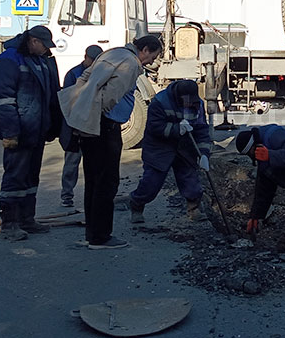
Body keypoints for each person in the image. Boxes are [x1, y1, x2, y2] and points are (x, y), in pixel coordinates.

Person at [58, 35, 163, 250]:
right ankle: (101, 237)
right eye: (152, 56)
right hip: (105, 126)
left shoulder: (111, 53)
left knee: (93, 180)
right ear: (144, 49)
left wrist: (86, 104)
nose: (151, 62)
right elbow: (112, 96)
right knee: (107, 182)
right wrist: (100, 110)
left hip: (88, 124)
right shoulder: (131, 63)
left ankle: (92, 233)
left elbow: (84, 77)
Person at [0, 25, 61, 241]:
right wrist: (10, 133)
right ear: (33, 41)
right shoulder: (9, 60)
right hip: (20, 132)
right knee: (15, 177)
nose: (47, 50)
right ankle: (10, 224)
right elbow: (3, 101)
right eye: (44, 45)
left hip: (36, 131)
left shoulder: (40, 60)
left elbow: (51, 95)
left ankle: (27, 219)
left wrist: (53, 127)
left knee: (30, 178)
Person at [129, 80, 211, 225]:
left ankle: (194, 208)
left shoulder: (197, 104)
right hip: (159, 147)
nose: (189, 104)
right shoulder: (160, 102)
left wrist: (204, 153)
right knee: (151, 182)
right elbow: (155, 127)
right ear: (179, 96)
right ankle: (137, 205)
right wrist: (176, 129)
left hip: (184, 147)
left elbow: (201, 129)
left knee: (190, 180)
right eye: (186, 101)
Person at [59, 44, 104, 208]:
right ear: (86, 58)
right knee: (71, 162)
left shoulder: (100, 74)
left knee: (94, 163)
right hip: (73, 126)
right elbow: (68, 100)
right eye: (92, 61)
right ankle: (66, 196)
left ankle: (93, 195)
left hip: (91, 125)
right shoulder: (73, 74)